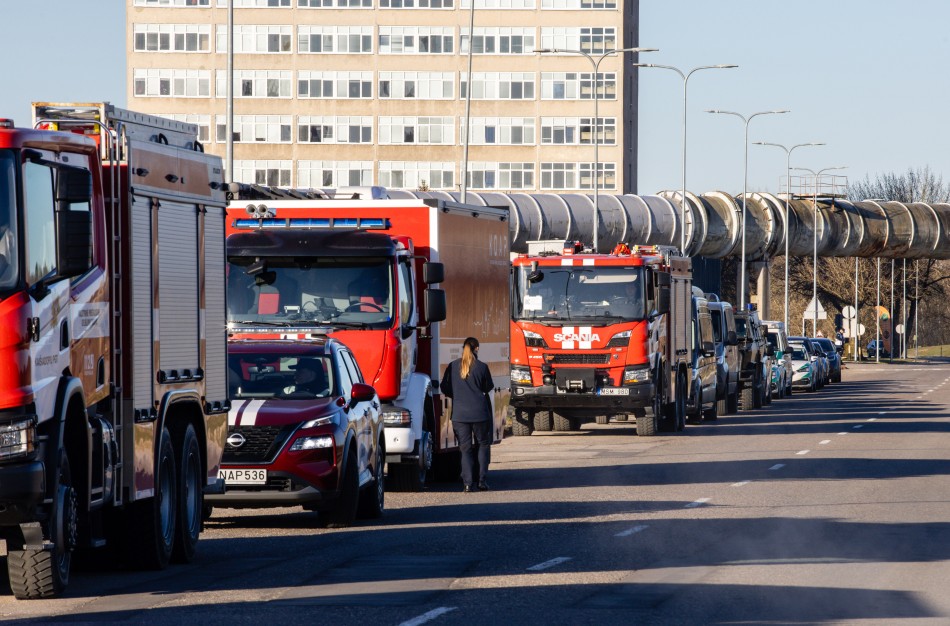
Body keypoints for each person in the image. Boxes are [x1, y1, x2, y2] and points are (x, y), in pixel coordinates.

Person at [440, 337, 495, 492]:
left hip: (460, 415)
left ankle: (467, 484)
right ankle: (482, 481)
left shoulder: (452, 366)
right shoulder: (482, 367)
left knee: (465, 449)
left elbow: (445, 387)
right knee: (483, 445)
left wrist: (456, 395)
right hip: (480, 413)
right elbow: (488, 387)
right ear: (476, 348)